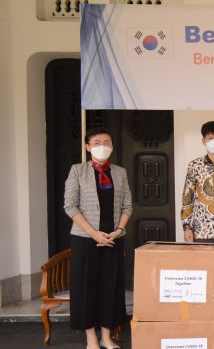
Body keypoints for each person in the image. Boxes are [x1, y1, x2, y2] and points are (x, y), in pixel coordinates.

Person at [63, 127, 131, 349]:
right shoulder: (77, 171)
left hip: (113, 238)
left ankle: (106, 337)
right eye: (97, 142)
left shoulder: (120, 172)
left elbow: (127, 206)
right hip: (85, 238)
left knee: (110, 288)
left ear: (112, 146)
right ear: (88, 147)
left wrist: (119, 230)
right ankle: (91, 339)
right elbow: (70, 206)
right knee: (86, 288)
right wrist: (94, 234)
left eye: (107, 142)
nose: (103, 146)